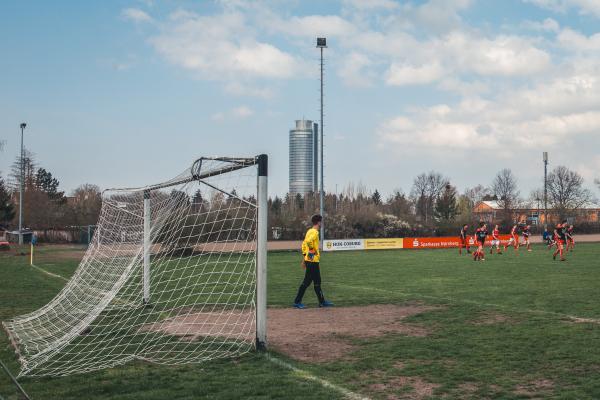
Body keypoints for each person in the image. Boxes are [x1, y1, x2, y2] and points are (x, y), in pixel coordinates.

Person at [293, 215, 334, 309]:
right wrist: (312, 251)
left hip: (311, 260)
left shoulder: (309, 231)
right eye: (321, 221)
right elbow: (308, 242)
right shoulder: (315, 232)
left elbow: (303, 245)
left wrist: (305, 257)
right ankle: (297, 302)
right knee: (306, 282)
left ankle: (322, 302)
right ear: (319, 222)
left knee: (317, 282)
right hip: (312, 261)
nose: (322, 223)